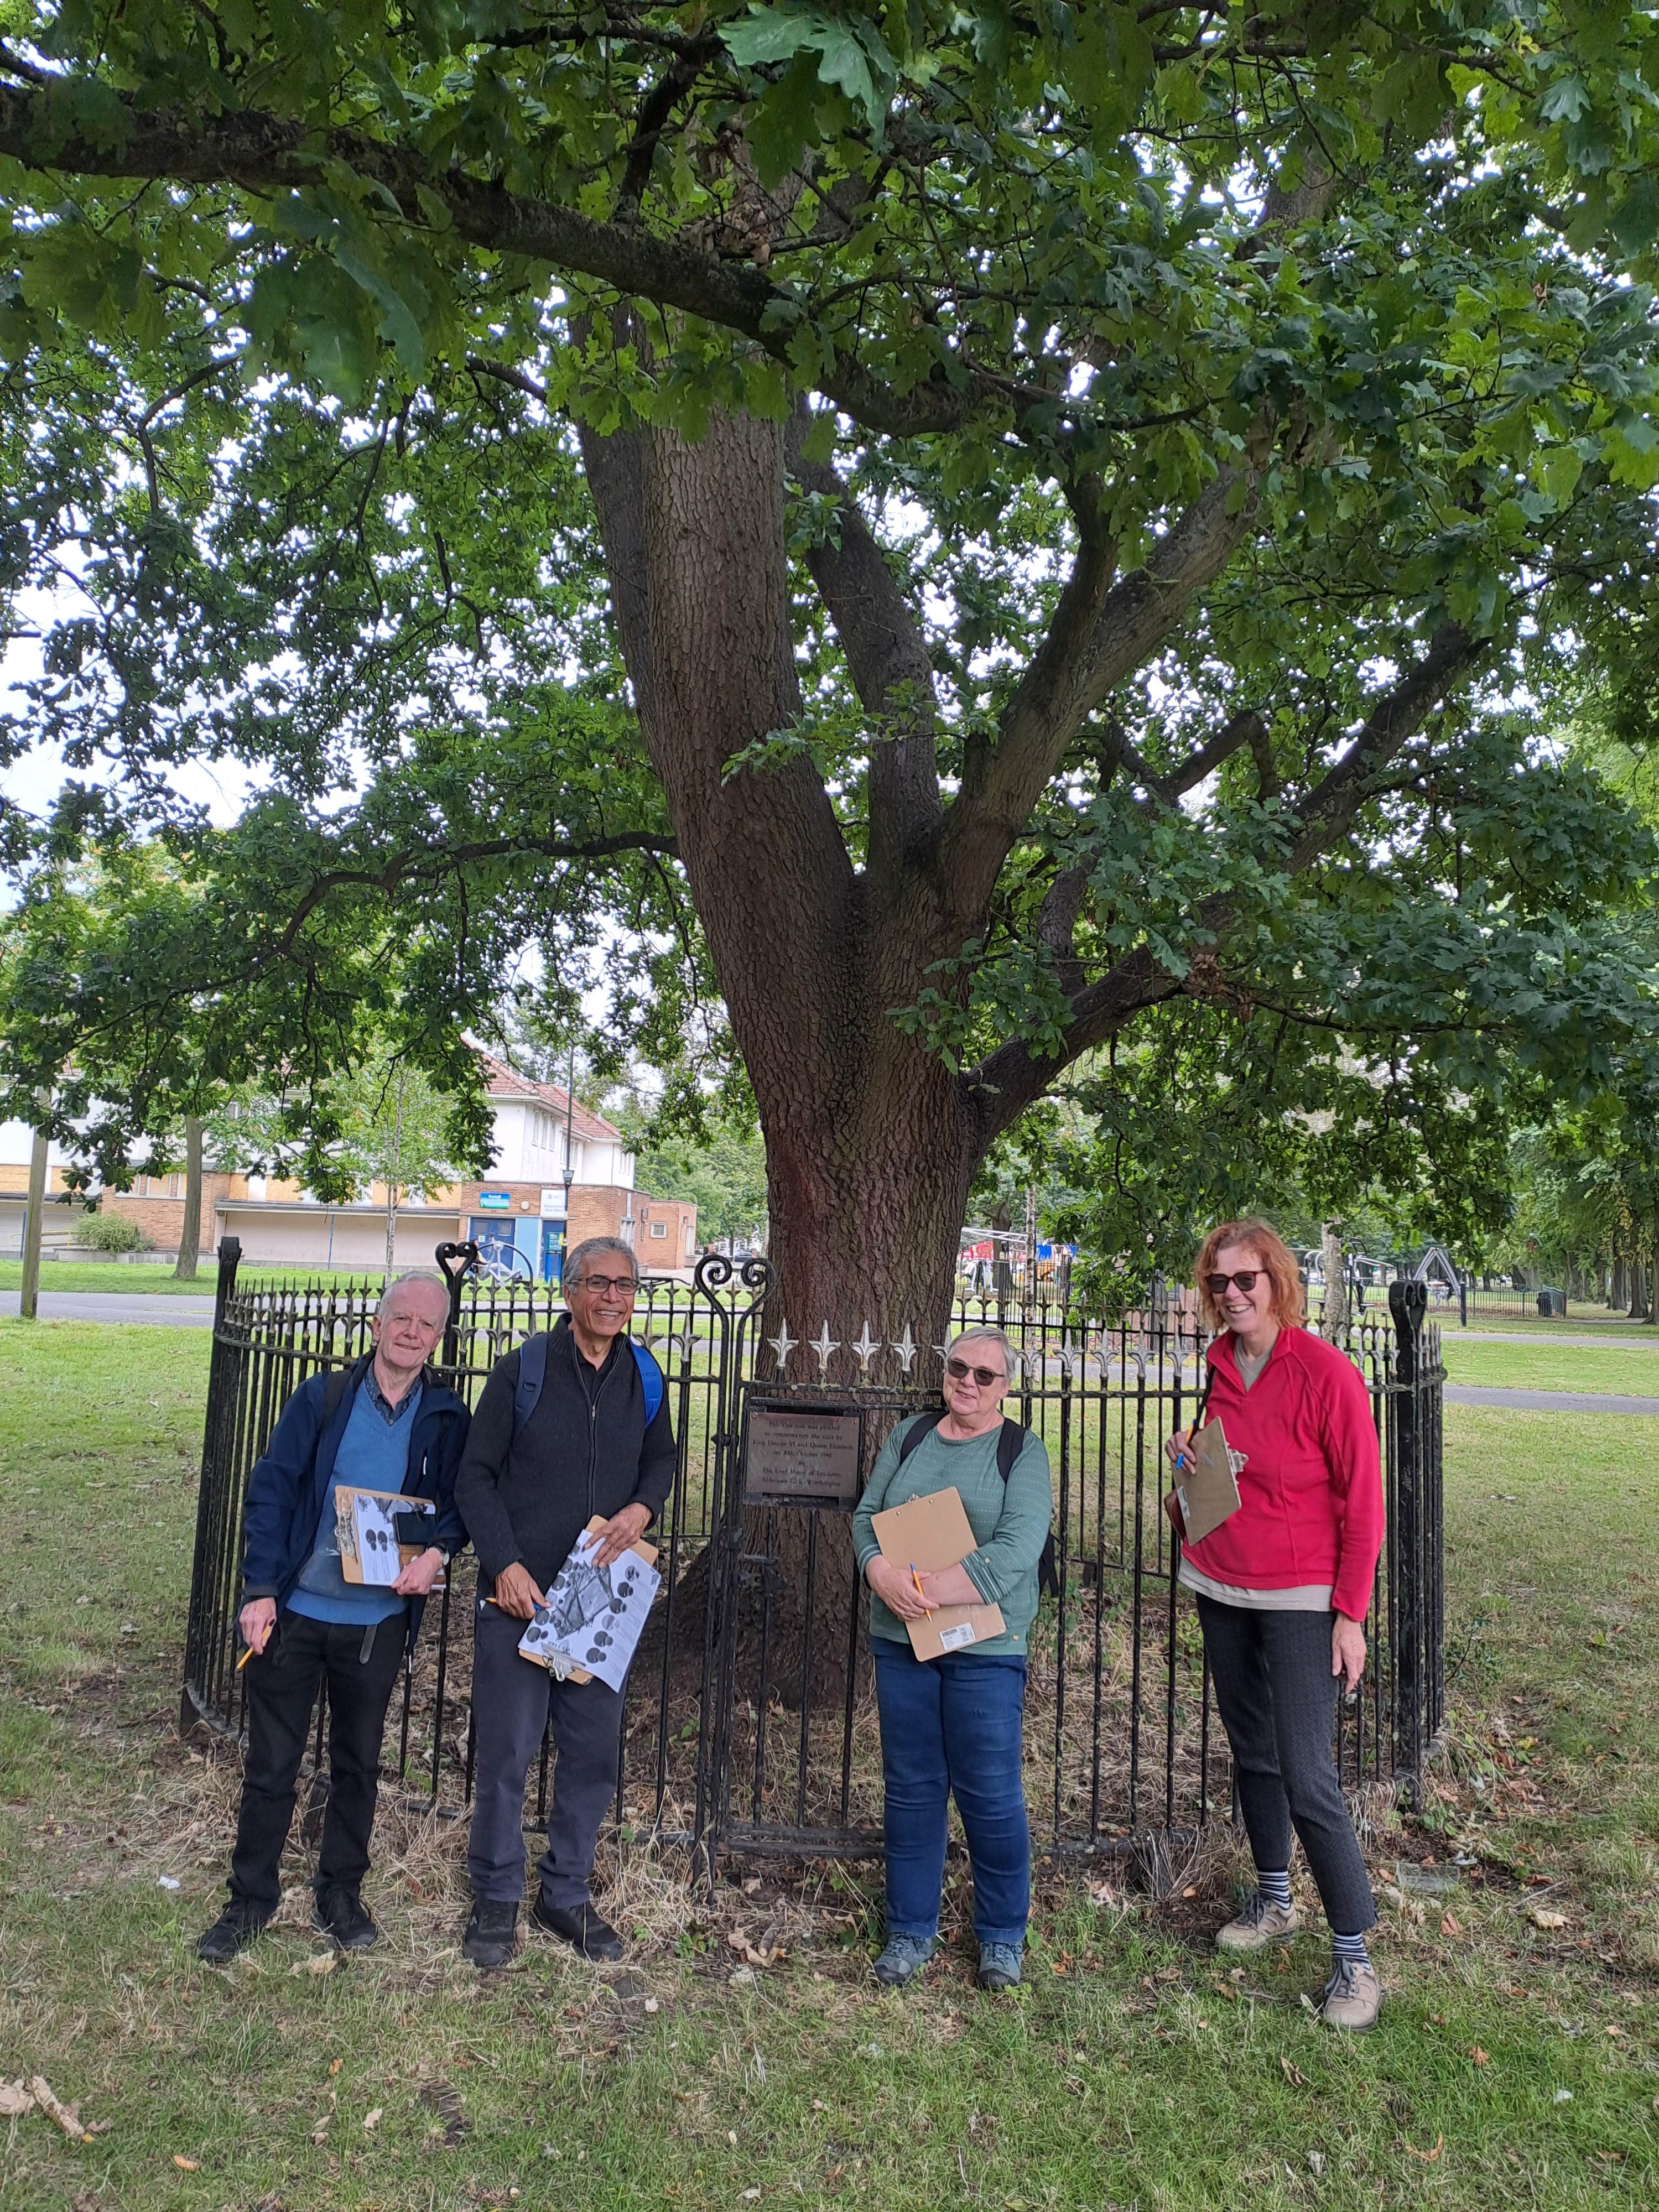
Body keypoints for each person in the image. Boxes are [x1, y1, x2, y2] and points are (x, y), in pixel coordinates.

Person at [197, 1271, 467, 1964]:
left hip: (376, 1624)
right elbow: (270, 1492)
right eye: (401, 1319)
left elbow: (460, 1506)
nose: (412, 1332)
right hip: (293, 1615)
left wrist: (436, 1555)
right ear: (377, 1325)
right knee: (272, 1766)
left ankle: (339, 1893)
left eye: (426, 1324)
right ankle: (249, 1900)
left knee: (357, 1767)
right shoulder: (323, 1398)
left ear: (439, 1337)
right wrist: (258, 1589)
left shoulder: (445, 1416)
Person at [1164, 1218, 1386, 2032]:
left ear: (1277, 1281)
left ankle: (1355, 1960)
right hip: (1220, 1583)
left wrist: (1349, 1615)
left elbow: (1363, 1505)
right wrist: (1186, 1477)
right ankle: (1272, 1898)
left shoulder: (1324, 1371)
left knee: (1307, 1774)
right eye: (1217, 1283)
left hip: (1300, 1599)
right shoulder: (1218, 1366)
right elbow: (1221, 1484)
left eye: (1245, 1279)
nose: (1230, 1295)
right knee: (1252, 1753)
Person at [454, 1236, 675, 1968]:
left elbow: (662, 1458)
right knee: (509, 1752)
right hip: (520, 1594)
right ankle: (494, 1892)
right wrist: (504, 1565)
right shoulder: (523, 1370)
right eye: (598, 1282)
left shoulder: (643, 1375)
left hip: (597, 1595)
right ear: (570, 1289)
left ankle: (565, 1892)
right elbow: (474, 1476)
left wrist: (643, 1507)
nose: (612, 1296)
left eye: (625, 1285)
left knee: (589, 1754)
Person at [851, 1326, 1053, 1993]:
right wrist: (879, 1572)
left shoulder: (1020, 1451)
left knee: (989, 1794)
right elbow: (866, 1517)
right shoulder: (909, 1435)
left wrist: (931, 1590)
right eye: (958, 1368)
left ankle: (1000, 1938)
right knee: (910, 1789)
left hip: (985, 1647)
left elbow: (1020, 1542)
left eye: (984, 1376)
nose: (967, 1382)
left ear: (1004, 1387)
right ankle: (909, 1931)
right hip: (901, 1639)